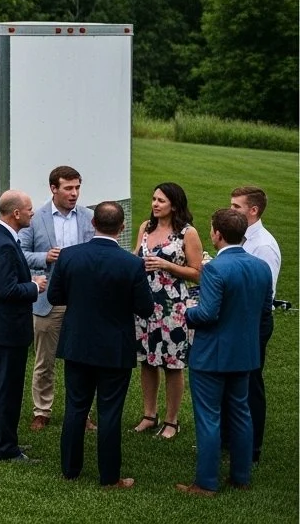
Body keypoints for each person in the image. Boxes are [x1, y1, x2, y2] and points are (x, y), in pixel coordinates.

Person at [47, 201, 152, 488]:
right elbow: (145, 308)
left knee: (75, 407)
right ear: (121, 228)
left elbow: (55, 296)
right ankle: (109, 477)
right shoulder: (132, 264)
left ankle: (69, 469)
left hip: (78, 343)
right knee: (110, 412)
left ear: (93, 224)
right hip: (114, 347)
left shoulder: (69, 256)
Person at [175, 209, 271, 497]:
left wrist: (187, 313)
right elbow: (264, 310)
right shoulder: (260, 267)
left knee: (209, 417)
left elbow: (207, 313)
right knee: (241, 414)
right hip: (245, 353)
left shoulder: (215, 268)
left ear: (217, 234)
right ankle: (240, 477)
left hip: (212, 355)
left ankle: (206, 483)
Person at [17, 166, 95, 432]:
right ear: (53, 188)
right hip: (47, 300)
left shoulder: (89, 217)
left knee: (83, 361)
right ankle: (42, 411)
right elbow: (20, 253)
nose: (74, 194)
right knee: (44, 360)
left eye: (77, 188)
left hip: (81, 301)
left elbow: (99, 251)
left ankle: (82, 413)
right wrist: (45, 257)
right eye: (68, 188)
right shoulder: (36, 218)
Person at [0, 190, 48, 463]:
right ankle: (6, 448)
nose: (32, 213)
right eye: (29, 209)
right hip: (7, 327)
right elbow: (7, 290)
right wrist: (34, 286)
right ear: (16, 213)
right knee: (8, 387)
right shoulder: (5, 244)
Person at [132, 182, 203, 440]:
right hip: (144, 304)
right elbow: (136, 256)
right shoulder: (145, 227)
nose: (155, 204)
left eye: (161, 200)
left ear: (174, 204)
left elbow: (198, 273)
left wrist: (166, 265)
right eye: (153, 199)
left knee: (173, 363)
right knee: (148, 361)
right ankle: (149, 415)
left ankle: (172, 420)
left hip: (173, 305)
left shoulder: (187, 233)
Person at [228, 186, 281, 463]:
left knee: (250, 383)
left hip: (253, 321)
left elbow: (264, 293)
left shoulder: (264, 245)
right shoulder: (242, 238)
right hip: (238, 318)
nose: (230, 210)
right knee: (234, 380)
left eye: (236, 207)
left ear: (253, 210)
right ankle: (229, 440)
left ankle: (252, 448)